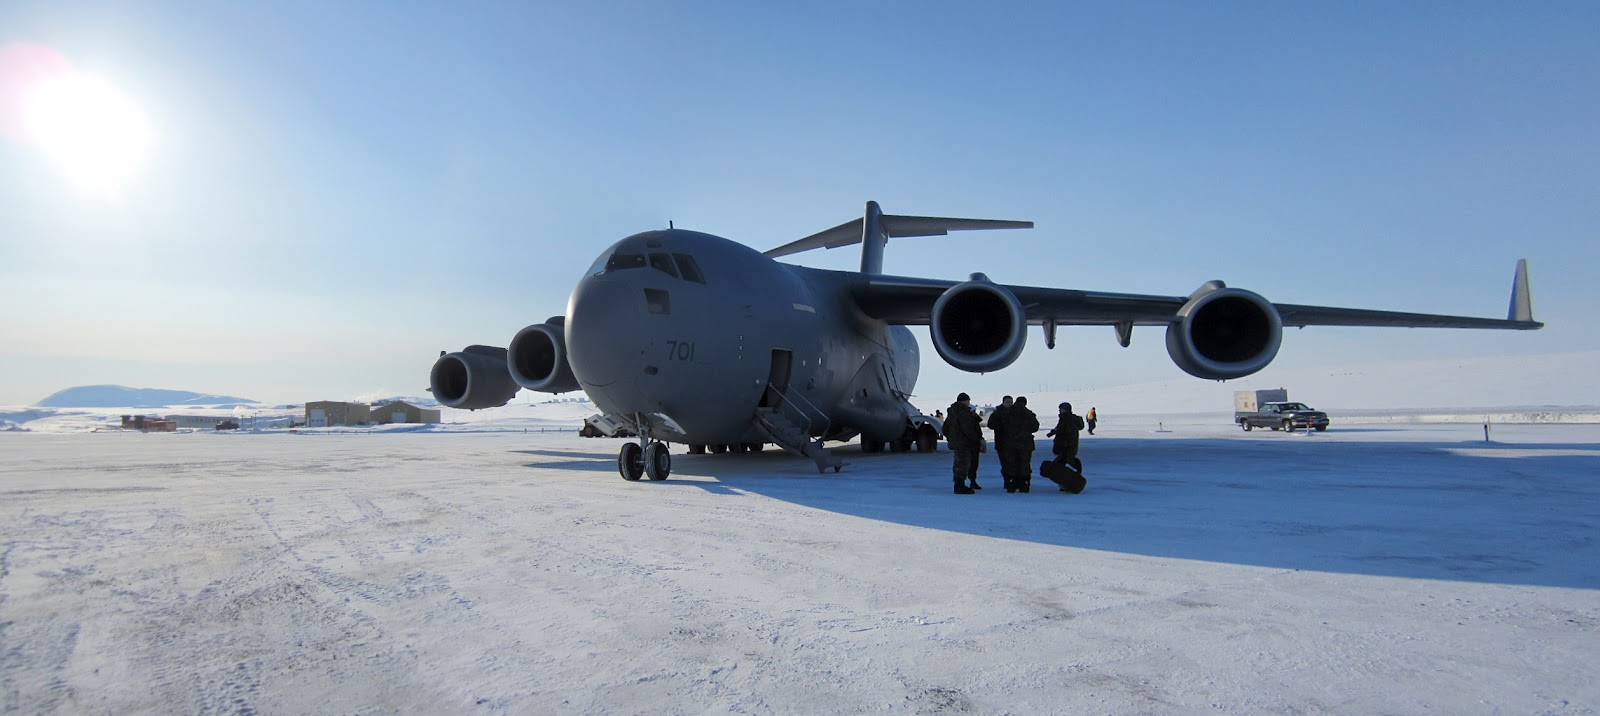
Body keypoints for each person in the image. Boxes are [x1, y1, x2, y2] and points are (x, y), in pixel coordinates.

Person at [944, 392, 983, 495]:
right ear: (965, 401)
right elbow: (968, 429)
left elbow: (945, 428)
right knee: (963, 463)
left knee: (958, 462)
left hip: (957, 442)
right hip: (965, 442)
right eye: (968, 401)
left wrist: (951, 438)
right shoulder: (964, 412)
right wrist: (976, 439)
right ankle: (960, 486)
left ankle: (958, 484)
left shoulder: (952, 412)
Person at [1001, 396, 1041, 492]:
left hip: (1010, 443)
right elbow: (1035, 427)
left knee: (1011, 464)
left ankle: (1011, 485)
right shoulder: (1029, 413)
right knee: (1025, 464)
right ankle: (1024, 485)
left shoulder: (1008, 412)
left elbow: (1000, 426)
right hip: (1026, 443)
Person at [1046, 402, 1086, 477]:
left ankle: (1072, 477)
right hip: (1067, 443)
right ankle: (1065, 480)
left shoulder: (1067, 418)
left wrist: (1054, 432)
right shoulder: (1066, 418)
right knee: (1063, 461)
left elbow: (1064, 429)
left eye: (1061, 409)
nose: (1059, 410)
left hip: (1066, 443)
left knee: (1065, 460)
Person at [984, 396, 1013, 491]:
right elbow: (990, 425)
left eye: (1011, 402)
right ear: (1003, 402)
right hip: (1002, 442)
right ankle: (1007, 480)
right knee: (1005, 463)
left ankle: (1013, 480)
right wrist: (1001, 426)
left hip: (1013, 443)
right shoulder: (997, 413)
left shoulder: (1015, 412)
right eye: (1008, 402)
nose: (1010, 404)